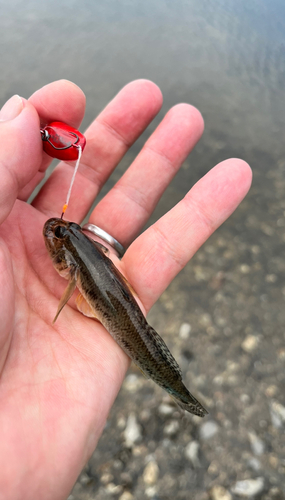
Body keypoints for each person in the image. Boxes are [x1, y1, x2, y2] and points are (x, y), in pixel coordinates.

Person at [0, 79, 252, 499]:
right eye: (64, 233)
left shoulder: (75, 263)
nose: (56, 233)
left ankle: (181, 391)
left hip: (117, 312)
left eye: (64, 235)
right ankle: (181, 392)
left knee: (153, 355)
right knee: (152, 354)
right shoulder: (76, 261)